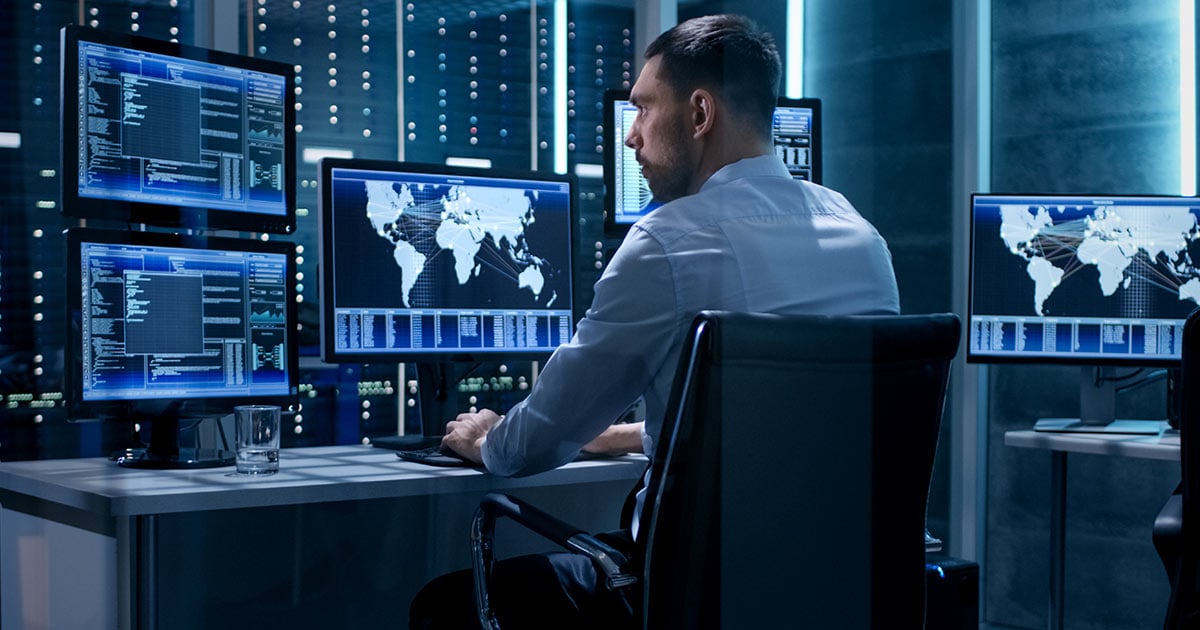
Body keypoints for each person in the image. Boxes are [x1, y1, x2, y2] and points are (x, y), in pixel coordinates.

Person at [409, 13, 899, 629]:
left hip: (694, 595)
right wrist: (623, 435)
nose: (630, 136)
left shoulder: (668, 242)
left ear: (699, 114)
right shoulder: (861, 235)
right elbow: (785, 427)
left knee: (442, 606)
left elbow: (532, 444)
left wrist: (484, 440)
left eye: (642, 110)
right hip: (839, 585)